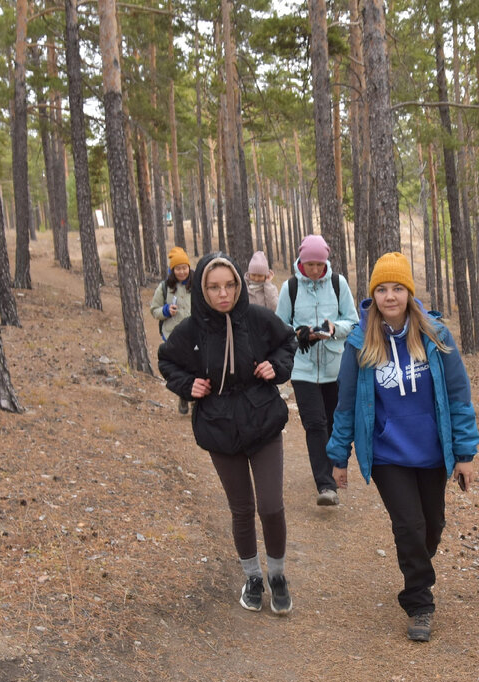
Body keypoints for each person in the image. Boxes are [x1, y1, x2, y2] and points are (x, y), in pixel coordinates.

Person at [326, 252, 479, 643]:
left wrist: (464, 454)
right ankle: (419, 602)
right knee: (408, 525)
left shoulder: (435, 336)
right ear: (373, 295)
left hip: (432, 452)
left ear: (409, 292)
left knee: (431, 527)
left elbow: (459, 396)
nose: (389, 296)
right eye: (381, 289)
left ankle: (416, 565)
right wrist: (338, 456)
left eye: (397, 288)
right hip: (387, 454)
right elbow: (345, 404)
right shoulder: (360, 343)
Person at [158, 252, 298, 615]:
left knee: (270, 505)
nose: (224, 293)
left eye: (230, 285)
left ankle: (278, 576)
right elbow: (166, 360)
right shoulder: (190, 330)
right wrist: (188, 385)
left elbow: (287, 342)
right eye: (214, 286)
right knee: (242, 508)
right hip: (219, 427)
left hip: (262, 420)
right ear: (202, 288)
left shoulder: (257, 319)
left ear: (239, 284)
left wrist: (275, 367)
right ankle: (252, 577)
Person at [275, 234, 359, 506]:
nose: (314, 269)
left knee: (334, 423)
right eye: (309, 264)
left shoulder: (338, 283)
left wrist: (334, 329)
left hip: (336, 367)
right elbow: (278, 326)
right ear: (301, 261)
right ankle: (326, 485)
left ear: (326, 261)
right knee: (315, 424)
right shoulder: (290, 288)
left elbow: (353, 321)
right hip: (303, 368)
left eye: (319, 264)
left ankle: (335, 468)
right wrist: (299, 333)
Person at [151, 247, 194, 412]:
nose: (182, 271)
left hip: (195, 334)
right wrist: (166, 311)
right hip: (173, 336)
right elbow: (154, 310)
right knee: (181, 368)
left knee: (197, 367)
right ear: (172, 269)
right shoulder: (164, 287)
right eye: (178, 268)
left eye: (184, 267)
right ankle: (183, 395)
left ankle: (195, 399)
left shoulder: (196, 284)